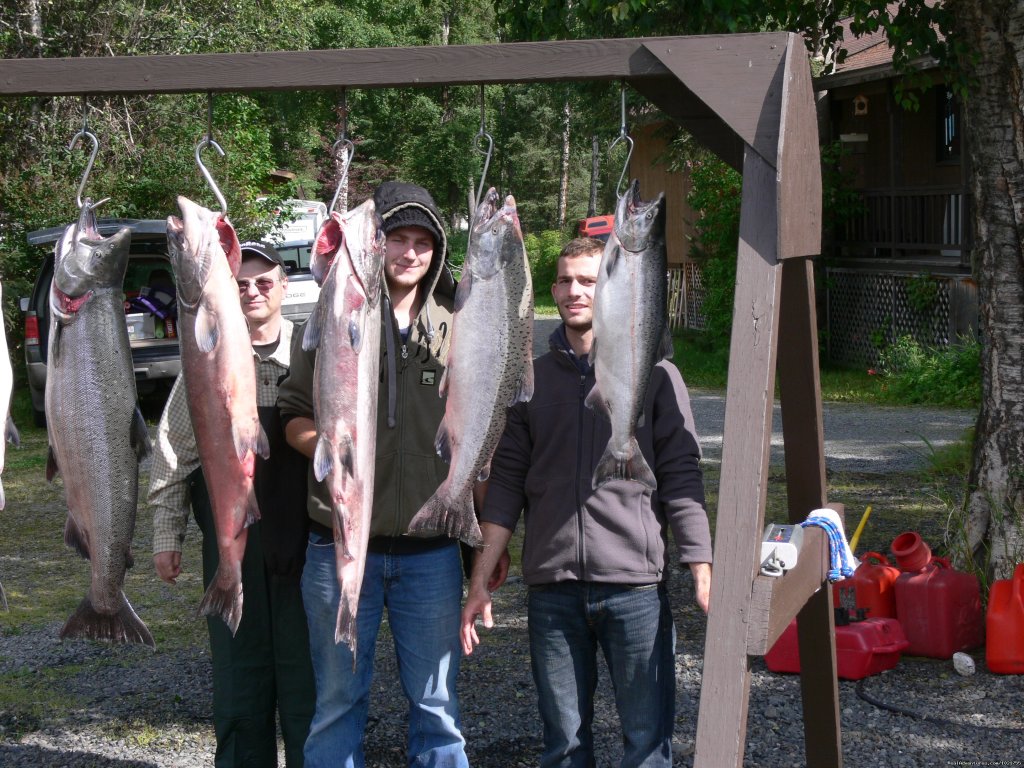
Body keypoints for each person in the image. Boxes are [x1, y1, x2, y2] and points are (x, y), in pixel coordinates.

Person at [460, 236, 713, 768]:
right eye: (567, 280)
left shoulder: (658, 375)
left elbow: (681, 472)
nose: (576, 291)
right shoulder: (528, 378)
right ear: (553, 288)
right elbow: (506, 484)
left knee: (647, 746)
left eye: (590, 281)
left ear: (614, 291)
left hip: (635, 589)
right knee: (564, 748)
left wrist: (700, 563)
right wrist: (480, 577)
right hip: (553, 593)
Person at [278, 181, 505, 768]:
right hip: (335, 550)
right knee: (336, 701)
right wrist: (324, 445)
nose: (409, 253)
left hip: (428, 556)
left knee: (436, 708)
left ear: (437, 250)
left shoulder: (461, 321)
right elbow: (293, 414)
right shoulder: (336, 308)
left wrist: (486, 540)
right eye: (396, 238)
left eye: (422, 241)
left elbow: (478, 438)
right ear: (375, 244)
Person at [150, 242, 315, 767]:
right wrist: (165, 537)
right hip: (232, 548)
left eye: (264, 281)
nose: (252, 292)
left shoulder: (314, 354)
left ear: (285, 287)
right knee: (240, 683)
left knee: (308, 681)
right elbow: (174, 455)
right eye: (241, 284)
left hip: (310, 546)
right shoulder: (208, 356)